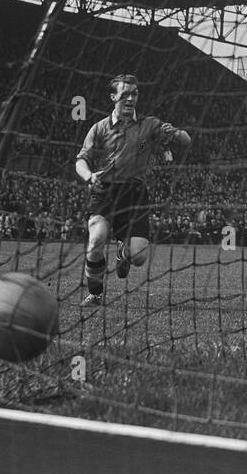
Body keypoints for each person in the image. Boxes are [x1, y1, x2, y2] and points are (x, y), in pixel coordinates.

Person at [75, 74, 191, 308]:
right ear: (113, 97)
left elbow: (185, 140)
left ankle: (123, 253)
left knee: (138, 258)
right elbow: (81, 160)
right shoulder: (99, 128)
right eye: (125, 94)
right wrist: (89, 175)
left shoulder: (149, 126)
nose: (130, 98)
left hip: (135, 193)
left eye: (134, 94)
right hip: (105, 191)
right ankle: (96, 293)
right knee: (96, 239)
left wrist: (176, 134)